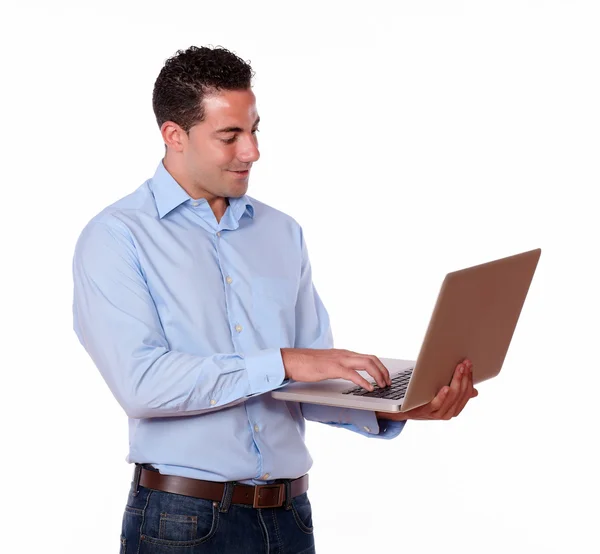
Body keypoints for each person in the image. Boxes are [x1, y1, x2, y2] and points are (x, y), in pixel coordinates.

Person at [72, 45, 478, 554]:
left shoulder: (281, 233)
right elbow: (143, 385)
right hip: (182, 522)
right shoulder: (116, 238)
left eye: (254, 129)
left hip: (290, 520)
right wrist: (285, 361)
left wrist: (394, 406)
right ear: (174, 135)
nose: (252, 151)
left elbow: (310, 381)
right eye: (230, 136)